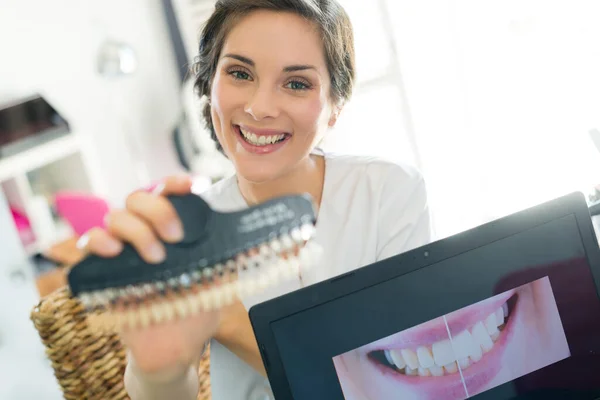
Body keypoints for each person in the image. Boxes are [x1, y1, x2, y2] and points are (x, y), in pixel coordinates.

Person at [79, 0, 432, 398]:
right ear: (209, 84)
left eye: (296, 83)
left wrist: (230, 320)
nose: (259, 107)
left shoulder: (388, 191)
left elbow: (393, 382)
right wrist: (159, 370)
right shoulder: (184, 233)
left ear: (335, 107)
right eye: (239, 73)